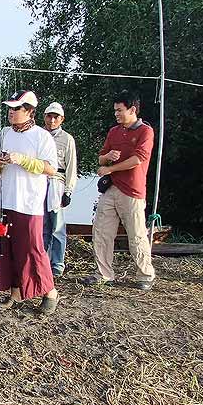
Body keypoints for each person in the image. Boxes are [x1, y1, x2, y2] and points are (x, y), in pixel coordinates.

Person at [0, 90, 60, 314]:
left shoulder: (41, 136)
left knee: (32, 248)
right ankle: (15, 292)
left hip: (30, 203)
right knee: (8, 249)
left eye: (17, 108)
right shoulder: (4, 134)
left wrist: (24, 160)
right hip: (6, 200)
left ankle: (50, 291)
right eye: (10, 108)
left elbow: (50, 168)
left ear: (29, 111)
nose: (11, 112)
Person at [81, 92, 156, 290]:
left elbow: (138, 159)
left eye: (119, 110)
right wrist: (107, 157)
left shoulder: (145, 132)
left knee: (137, 234)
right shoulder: (114, 131)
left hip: (132, 190)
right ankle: (104, 273)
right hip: (110, 188)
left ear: (132, 109)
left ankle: (145, 275)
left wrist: (111, 168)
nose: (116, 114)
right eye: (115, 110)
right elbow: (100, 158)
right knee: (102, 231)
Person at [42, 102, 78, 278]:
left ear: (61, 119)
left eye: (56, 117)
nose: (52, 120)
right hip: (39, 182)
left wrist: (68, 191)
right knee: (42, 225)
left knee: (57, 225)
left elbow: (71, 167)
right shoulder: (38, 135)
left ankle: (57, 263)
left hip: (57, 182)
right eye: (49, 116)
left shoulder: (67, 139)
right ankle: (42, 260)